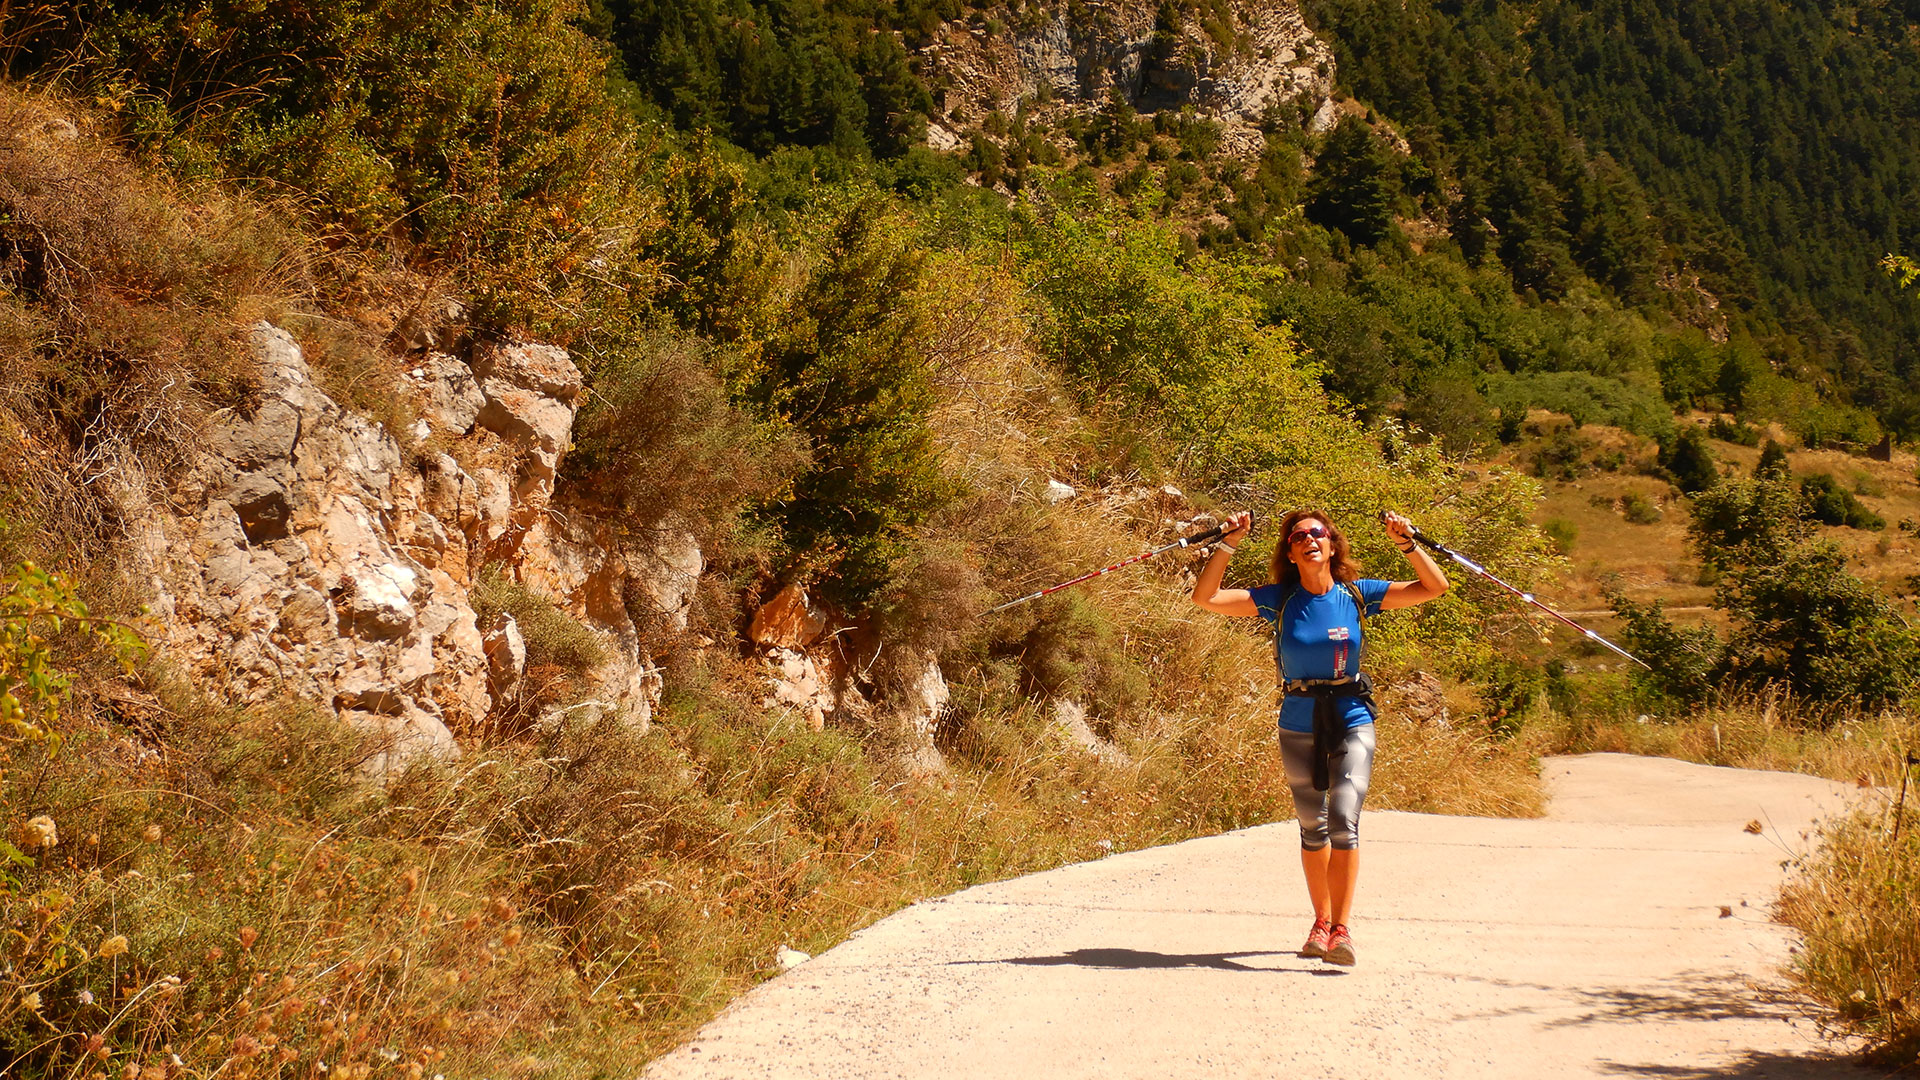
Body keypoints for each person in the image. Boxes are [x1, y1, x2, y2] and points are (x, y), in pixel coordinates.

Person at [1191, 507, 1448, 966]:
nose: (1309, 539)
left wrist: (1408, 543)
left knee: (1343, 819)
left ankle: (1342, 931)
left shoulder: (1357, 594)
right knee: (1312, 827)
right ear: (1290, 553)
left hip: (1351, 716)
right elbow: (1204, 598)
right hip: (1298, 718)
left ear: (1332, 545)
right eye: (1298, 537)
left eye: (1318, 533)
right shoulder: (1279, 599)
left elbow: (1435, 588)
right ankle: (1321, 922)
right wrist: (1228, 543)